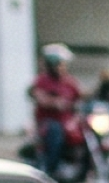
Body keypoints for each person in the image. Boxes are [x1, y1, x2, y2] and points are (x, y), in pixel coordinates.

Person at [29, 44, 85, 174]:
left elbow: (80, 96)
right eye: (60, 64)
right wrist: (54, 102)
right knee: (56, 132)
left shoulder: (70, 81)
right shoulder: (42, 81)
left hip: (68, 121)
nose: (63, 67)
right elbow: (39, 96)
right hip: (48, 122)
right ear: (51, 64)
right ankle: (51, 170)